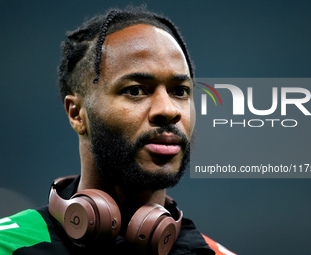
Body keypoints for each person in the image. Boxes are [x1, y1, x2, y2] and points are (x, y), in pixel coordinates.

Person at [0, 6, 235, 255]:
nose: (168, 110)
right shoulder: (9, 246)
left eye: (180, 91)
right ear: (76, 113)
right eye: (135, 90)